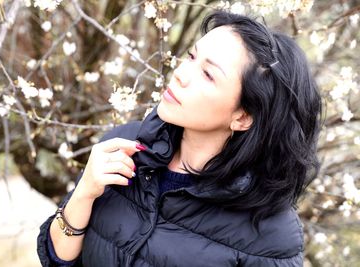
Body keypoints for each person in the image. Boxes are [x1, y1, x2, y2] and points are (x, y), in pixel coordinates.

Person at [37, 11, 321, 267]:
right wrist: (84, 193)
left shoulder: (272, 233)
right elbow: (57, 259)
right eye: (191, 57)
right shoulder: (123, 145)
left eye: (208, 75)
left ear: (243, 117)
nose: (181, 74)